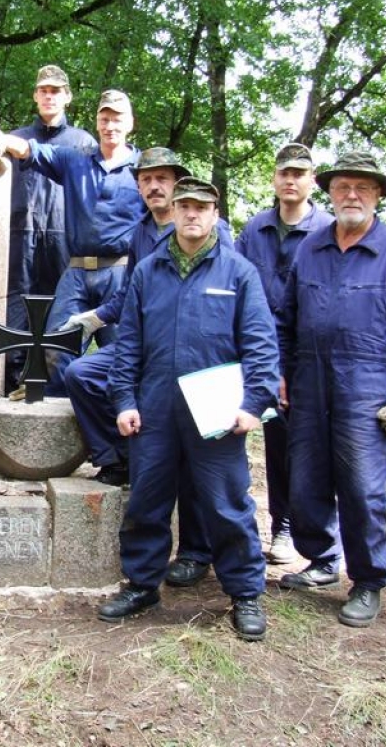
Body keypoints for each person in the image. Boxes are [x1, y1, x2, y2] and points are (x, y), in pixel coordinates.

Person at [100, 178, 278, 641]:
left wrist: (253, 404)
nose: (192, 214)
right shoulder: (148, 271)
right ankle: (142, 585)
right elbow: (128, 346)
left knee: (226, 504)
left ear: (215, 213)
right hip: (154, 409)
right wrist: (124, 400)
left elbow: (260, 345)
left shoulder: (238, 272)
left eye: (202, 207)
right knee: (147, 501)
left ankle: (244, 594)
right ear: (174, 212)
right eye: (185, 207)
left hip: (217, 410)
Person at [277, 151, 386, 628]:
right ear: (329, 192)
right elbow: (286, 318)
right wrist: (282, 370)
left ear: (378, 195)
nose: (351, 195)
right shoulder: (311, 247)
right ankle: (322, 561)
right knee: (305, 479)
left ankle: (368, 580)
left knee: (363, 487)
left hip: (366, 384)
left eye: (362, 188)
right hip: (307, 380)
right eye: (343, 186)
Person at [63, 148, 232, 591]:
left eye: (163, 179)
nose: (154, 187)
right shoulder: (139, 235)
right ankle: (117, 458)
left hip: (200, 360)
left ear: (180, 186)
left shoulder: (216, 232)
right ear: (138, 188)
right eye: (146, 180)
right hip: (148, 352)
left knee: (198, 457)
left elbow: (233, 295)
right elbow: (132, 296)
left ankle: (196, 551)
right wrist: (95, 317)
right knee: (82, 376)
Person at [3, 89, 144, 396]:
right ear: (97, 122)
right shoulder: (75, 160)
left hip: (120, 274)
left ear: (130, 123)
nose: (110, 126)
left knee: (122, 353)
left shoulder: (144, 170)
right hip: (77, 271)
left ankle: (118, 429)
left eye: (117, 119)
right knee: (54, 346)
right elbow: (28, 149)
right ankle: (52, 426)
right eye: (104, 119)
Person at [236, 143, 334, 565]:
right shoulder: (254, 229)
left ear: (313, 180)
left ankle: (313, 533)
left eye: (300, 173)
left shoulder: (328, 230)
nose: (291, 180)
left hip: (311, 355)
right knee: (275, 444)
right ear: (275, 179)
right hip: (261, 353)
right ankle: (281, 526)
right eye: (284, 173)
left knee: (310, 447)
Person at [5, 65, 96, 392]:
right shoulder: (15, 139)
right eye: (43, 90)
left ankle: (51, 393)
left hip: (63, 247)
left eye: (55, 90)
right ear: (35, 95)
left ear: (67, 97)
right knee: (15, 327)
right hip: (19, 245)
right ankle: (11, 397)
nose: (49, 96)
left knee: (58, 325)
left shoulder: (83, 143)